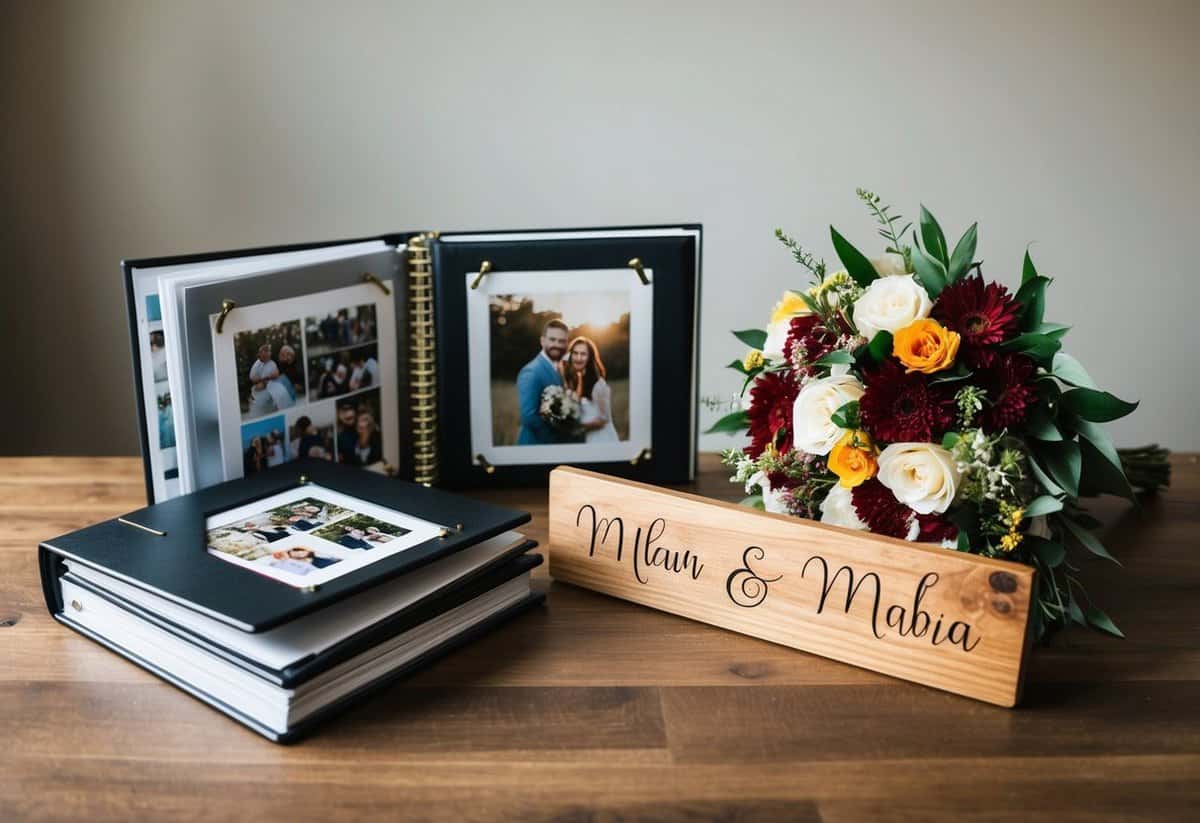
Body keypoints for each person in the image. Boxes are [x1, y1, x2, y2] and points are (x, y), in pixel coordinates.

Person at [516, 319, 569, 444]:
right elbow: (529, 417)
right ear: (542, 341)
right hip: (535, 446)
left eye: (562, 341)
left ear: (567, 343)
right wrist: (559, 437)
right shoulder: (531, 372)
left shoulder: (560, 368)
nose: (557, 344)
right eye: (552, 339)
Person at [565, 336, 620, 443]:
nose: (578, 358)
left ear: (590, 357)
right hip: (585, 439)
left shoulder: (598, 385)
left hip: (601, 439)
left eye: (583, 354)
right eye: (575, 353)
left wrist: (576, 426)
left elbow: (603, 420)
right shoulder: (575, 381)